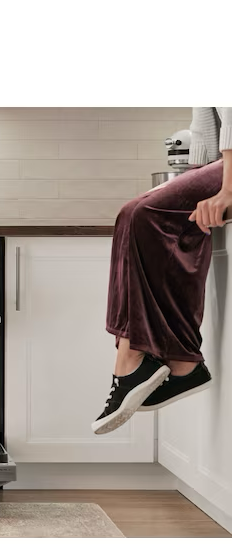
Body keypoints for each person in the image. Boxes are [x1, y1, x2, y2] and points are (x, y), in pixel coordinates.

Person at [93, 107, 232, 435]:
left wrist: (227, 190)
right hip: (221, 163)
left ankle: (140, 360)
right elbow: (207, 118)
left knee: (144, 214)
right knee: (131, 213)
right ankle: (174, 363)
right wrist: (196, 174)